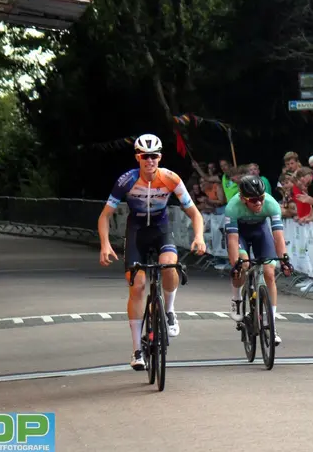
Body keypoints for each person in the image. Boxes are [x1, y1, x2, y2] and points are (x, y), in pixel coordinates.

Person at [98, 134, 207, 370]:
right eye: (145, 156)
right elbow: (105, 215)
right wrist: (105, 244)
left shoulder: (170, 178)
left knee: (169, 265)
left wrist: (198, 237)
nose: (150, 160)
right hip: (137, 230)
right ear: (138, 157)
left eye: (154, 156)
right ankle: (137, 350)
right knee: (136, 286)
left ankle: (168, 311)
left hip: (161, 227)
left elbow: (195, 213)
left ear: (160, 157)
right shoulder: (126, 180)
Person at [224, 175, 293, 346]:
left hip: (260, 232)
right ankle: (237, 299)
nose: (258, 203)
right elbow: (232, 240)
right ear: (242, 198)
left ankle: (272, 325)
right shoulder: (232, 207)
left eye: (261, 198)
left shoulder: (271, 204)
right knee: (243, 264)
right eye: (253, 200)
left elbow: (278, 236)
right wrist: (235, 265)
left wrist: (284, 259)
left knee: (269, 273)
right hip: (240, 234)